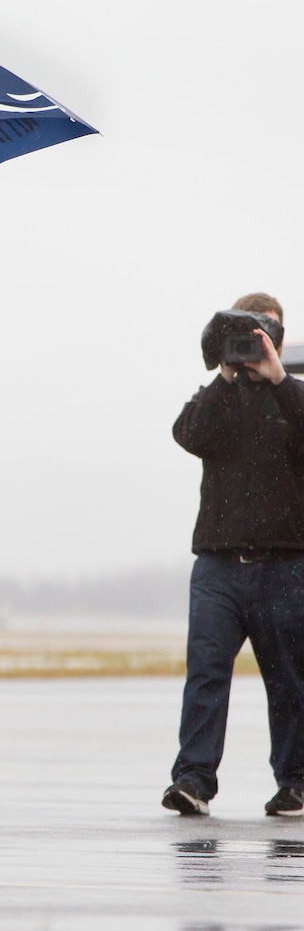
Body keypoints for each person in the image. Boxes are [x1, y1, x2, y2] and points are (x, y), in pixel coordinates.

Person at [163, 292, 304, 818]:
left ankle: (296, 783)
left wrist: (279, 380)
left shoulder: (294, 398)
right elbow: (187, 433)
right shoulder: (219, 398)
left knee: (289, 681)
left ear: (279, 340)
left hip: (285, 564)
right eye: (244, 332)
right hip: (218, 565)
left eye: (265, 332)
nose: (253, 343)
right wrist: (224, 374)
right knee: (205, 673)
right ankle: (193, 780)